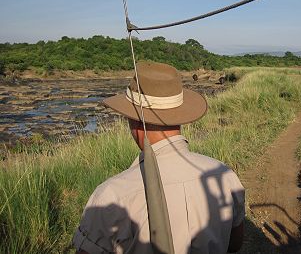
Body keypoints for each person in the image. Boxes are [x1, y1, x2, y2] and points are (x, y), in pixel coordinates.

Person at [73, 61, 245, 254]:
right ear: (180, 114)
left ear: (133, 118)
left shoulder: (112, 196)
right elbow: (234, 244)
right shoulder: (224, 175)